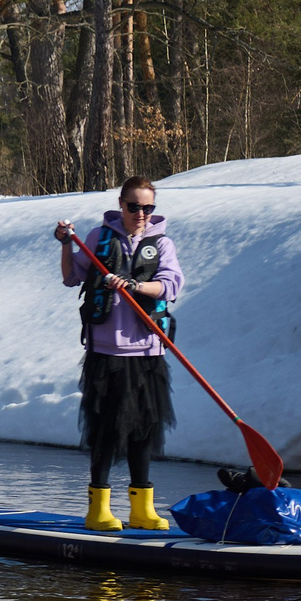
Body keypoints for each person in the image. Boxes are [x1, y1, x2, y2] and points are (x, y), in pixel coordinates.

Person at [58, 176, 182, 531]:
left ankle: (142, 508)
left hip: (147, 352)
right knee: (106, 431)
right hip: (107, 353)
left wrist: (135, 284)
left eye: (147, 208)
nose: (140, 214)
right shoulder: (99, 238)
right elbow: (72, 277)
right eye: (133, 207)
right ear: (121, 205)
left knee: (145, 430)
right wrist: (66, 245)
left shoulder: (162, 244)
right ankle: (99, 508)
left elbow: (171, 285)